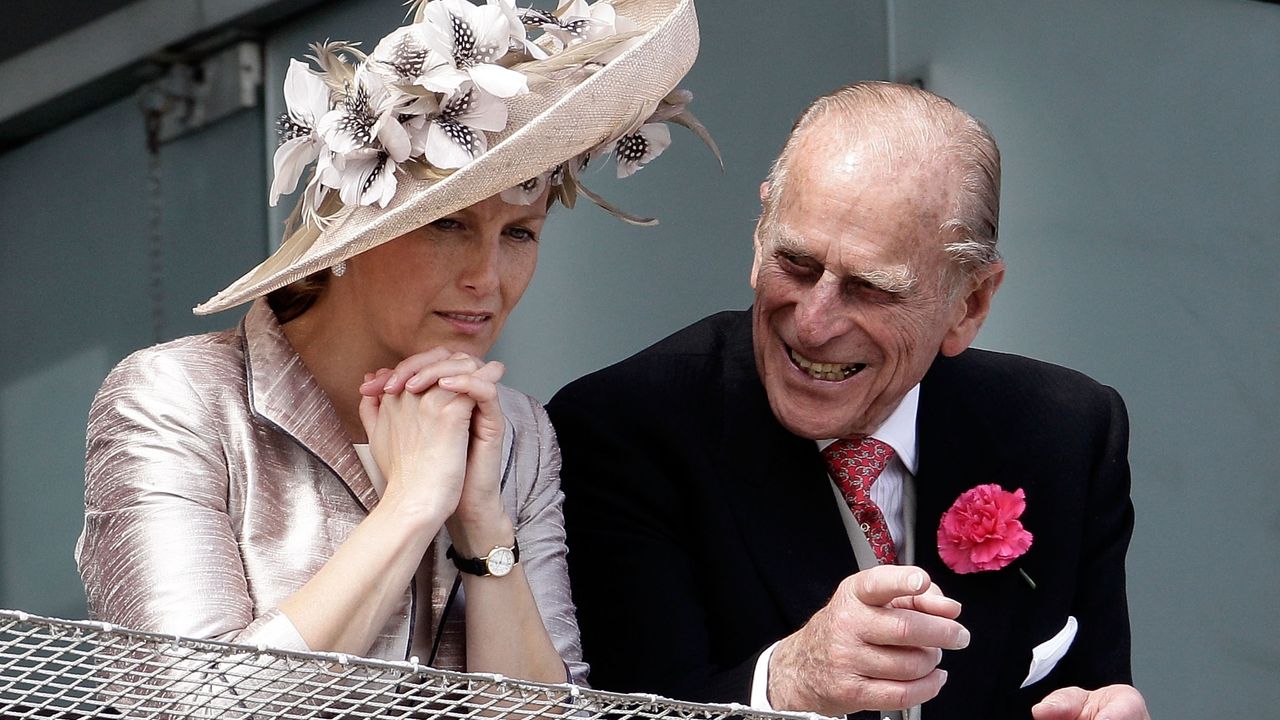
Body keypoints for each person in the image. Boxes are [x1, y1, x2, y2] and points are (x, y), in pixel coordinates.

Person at [75, 0, 706, 686]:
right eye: (448, 226)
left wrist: (485, 531)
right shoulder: (180, 401)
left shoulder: (518, 435)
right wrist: (411, 505)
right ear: (354, 232)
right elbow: (186, 705)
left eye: (519, 233)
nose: (486, 278)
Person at [548, 82, 1151, 719]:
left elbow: (1088, 690)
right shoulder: (624, 430)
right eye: (797, 265)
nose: (812, 323)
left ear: (969, 304)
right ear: (760, 237)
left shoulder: (1066, 431)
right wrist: (786, 685)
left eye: (870, 289)